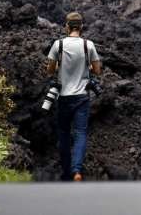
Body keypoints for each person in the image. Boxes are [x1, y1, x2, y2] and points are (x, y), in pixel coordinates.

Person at [46, 12, 102, 182]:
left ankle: (65, 170)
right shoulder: (88, 45)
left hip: (63, 97)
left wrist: (60, 68)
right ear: (82, 27)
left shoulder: (58, 44)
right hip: (82, 97)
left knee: (63, 133)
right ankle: (76, 171)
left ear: (67, 26)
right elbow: (97, 70)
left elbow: (50, 69)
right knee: (80, 133)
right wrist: (87, 68)